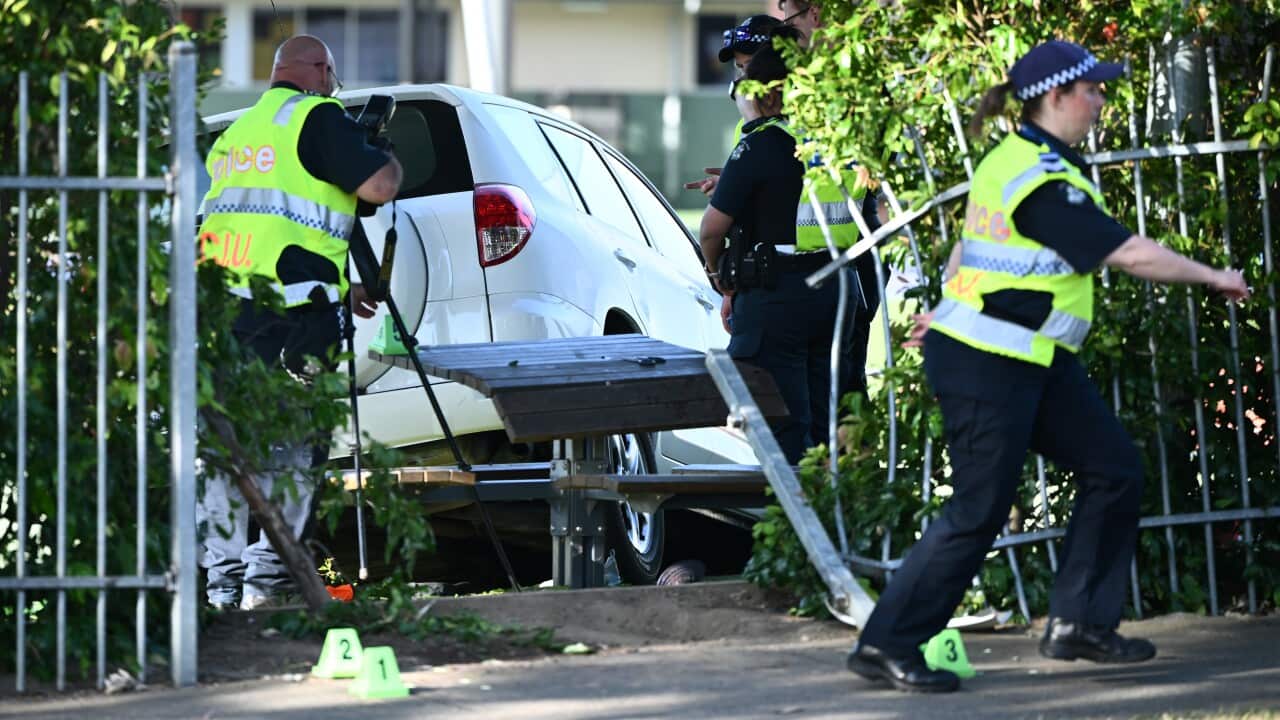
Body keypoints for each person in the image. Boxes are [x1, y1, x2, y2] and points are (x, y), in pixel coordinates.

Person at [846, 40, 1250, 693]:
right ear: (1058, 96)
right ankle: (887, 642)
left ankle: (1078, 624)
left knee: (1113, 467)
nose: (1101, 99)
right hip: (987, 360)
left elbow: (965, 251)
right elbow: (1127, 252)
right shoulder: (1038, 177)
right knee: (979, 507)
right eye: (1093, 89)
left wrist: (947, 305)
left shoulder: (1025, 161)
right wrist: (1212, 276)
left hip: (1028, 356)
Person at [195, 35, 403, 610]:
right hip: (296, 322)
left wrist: (348, 285)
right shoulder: (319, 116)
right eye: (332, 78)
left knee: (226, 451)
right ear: (318, 70)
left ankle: (220, 586)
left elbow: (268, 228)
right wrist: (381, 150)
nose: (333, 89)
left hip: (226, 316)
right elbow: (378, 187)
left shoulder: (235, 134)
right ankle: (268, 581)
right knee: (296, 451)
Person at [699, 26, 845, 463]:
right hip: (836, 289)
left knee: (781, 425)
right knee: (825, 423)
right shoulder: (829, 140)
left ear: (765, 94)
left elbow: (711, 230)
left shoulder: (762, 142)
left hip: (779, 295)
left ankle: (792, 527)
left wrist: (717, 272)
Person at [684, 14, 782, 197]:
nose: (745, 77)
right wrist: (733, 179)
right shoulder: (744, 124)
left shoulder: (803, 118)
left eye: (751, 65)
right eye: (740, 67)